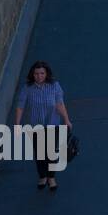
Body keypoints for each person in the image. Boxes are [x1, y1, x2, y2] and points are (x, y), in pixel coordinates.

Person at [14, 61, 72, 192]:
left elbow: (59, 105)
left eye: (42, 73)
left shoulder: (54, 86)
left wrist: (66, 120)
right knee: (40, 154)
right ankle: (42, 176)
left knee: (51, 153)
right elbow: (20, 107)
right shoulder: (27, 88)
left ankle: (51, 177)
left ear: (46, 74)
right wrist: (17, 125)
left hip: (53, 125)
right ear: (32, 74)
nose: (39, 76)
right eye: (36, 73)